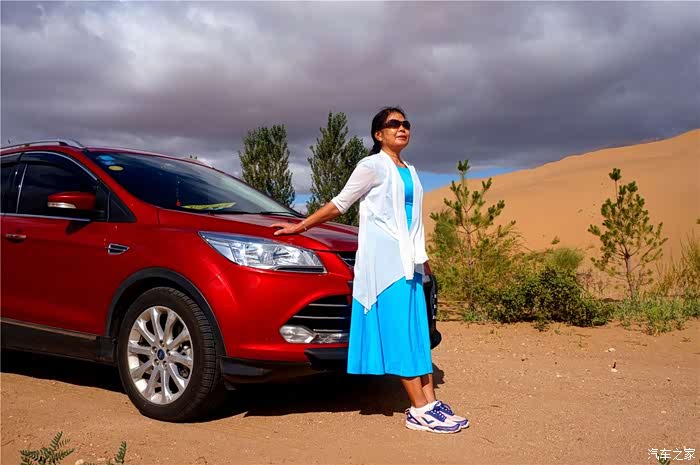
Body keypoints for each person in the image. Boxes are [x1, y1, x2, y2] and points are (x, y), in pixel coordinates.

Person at [272, 107, 469, 434]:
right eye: (394, 124)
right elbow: (340, 203)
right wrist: (300, 226)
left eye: (406, 124)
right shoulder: (371, 166)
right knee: (400, 333)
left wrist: (424, 260)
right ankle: (418, 409)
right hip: (385, 265)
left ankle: (431, 402)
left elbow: (414, 223)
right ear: (379, 134)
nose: (402, 128)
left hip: (409, 264)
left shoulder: (410, 170)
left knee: (417, 332)